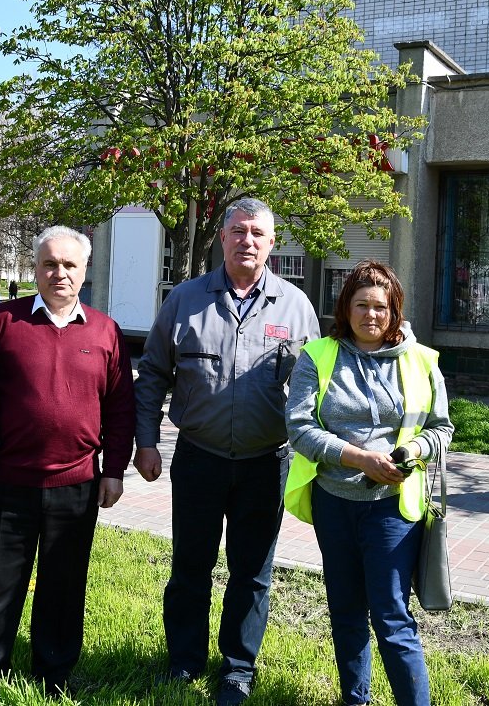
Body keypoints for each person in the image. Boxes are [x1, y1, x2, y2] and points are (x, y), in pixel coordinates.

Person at [133, 197, 320, 706]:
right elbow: (152, 374)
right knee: (189, 567)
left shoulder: (296, 307)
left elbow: (316, 388)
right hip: (199, 458)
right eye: (238, 231)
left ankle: (238, 668)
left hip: (266, 464)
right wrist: (145, 442)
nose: (247, 241)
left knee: (252, 574)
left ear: (272, 242)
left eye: (257, 233)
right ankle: (184, 661)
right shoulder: (185, 299)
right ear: (222, 237)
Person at [0, 226, 136, 698]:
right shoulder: (2, 322)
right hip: (10, 481)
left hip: (77, 483)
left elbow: (121, 408)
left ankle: (53, 675)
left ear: (84, 270)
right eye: (49, 263)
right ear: (36, 267)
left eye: (69, 265)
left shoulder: (105, 331)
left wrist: (113, 471)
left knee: (63, 586)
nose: (59, 273)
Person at [285, 260, 454, 706]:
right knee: (345, 611)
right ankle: (355, 699)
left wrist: (411, 452)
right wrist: (359, 457)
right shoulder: (317, 355)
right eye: (361, 305)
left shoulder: (421, 360)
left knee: (392, 617)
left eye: (380, 306)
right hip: (334, 504)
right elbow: (300, 427)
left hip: (392, 508)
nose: (371, 315)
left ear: (394, 311)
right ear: (346, 307)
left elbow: (442, 429)